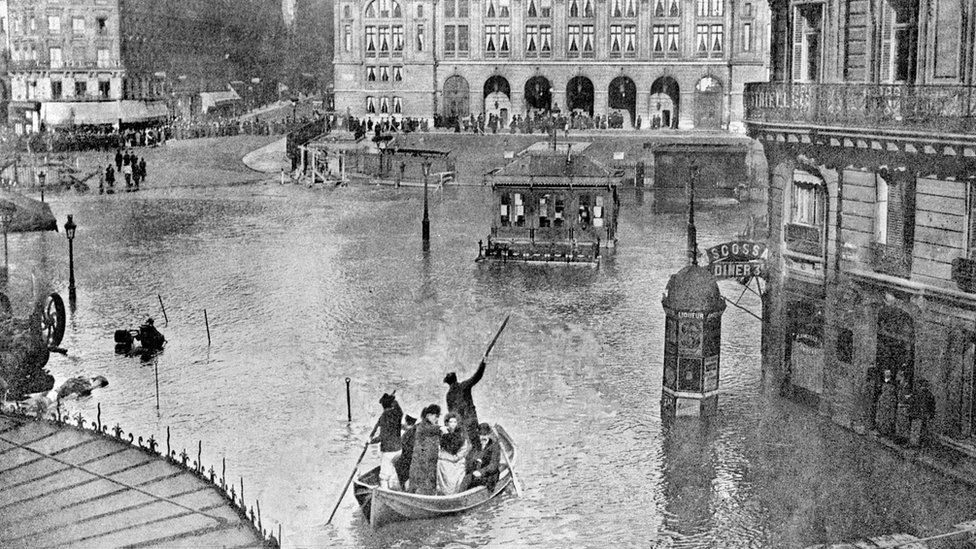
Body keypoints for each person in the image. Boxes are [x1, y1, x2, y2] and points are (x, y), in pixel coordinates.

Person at [444, 359, 487, 451]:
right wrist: (483, 363)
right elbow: (477, 376)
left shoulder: (448, 396)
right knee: (476, 446)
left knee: (466, 447)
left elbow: (451, 414)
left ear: (448, 383)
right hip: (471, 422)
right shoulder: (464, 386)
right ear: (456, 379)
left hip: (460, 426)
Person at [370, 393, 403, 489]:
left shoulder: (384, 416)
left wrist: (371, 441)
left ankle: (385, 492)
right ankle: (397, 491)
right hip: (398, 450)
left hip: (388, 451)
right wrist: (393, 400)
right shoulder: (397, 414)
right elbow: (400, 410)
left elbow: (382, 437)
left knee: (384, 477)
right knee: (393, 473)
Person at [408, 404, 442, 495]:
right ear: (428, 416)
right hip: (421, 464)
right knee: (420, 487)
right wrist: (440, 428)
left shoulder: (433, 427)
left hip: (430, 464)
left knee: (429, 486)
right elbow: (429, 429)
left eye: (438, 417)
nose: (437, 419)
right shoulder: (423, 426)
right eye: (436, 416)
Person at [436, 413, 470, 495]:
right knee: (440, 463)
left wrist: (446, 435)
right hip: (445, 461)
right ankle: (444, 492)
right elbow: (441, 449)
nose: (453, 424)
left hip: (457, 461)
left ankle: (453, 493)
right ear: (447, 423)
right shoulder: (442, 432)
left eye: (455, 422)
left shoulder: (461, 434)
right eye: (451, 422)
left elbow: (458, 449)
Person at [465, 423, 501, 491]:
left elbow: (493, 466)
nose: (483, 437)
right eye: (481, 435)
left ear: (489, 435)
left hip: (489, 476)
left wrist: (481, 472)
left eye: (485, 435)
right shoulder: (476, 446)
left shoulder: (494, 447)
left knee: (468, 480)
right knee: (466, 478)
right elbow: (468, 459)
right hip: (475, 473)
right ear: (478, 435)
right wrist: (474, 461)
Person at [909, 379, 936, 447]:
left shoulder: (916, 393)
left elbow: (912, 402)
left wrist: (911, 412)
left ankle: (915, 443)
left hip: (917, 414)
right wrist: (931, 415)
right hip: (924, 415)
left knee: (916, 429)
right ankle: (922, 443)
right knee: (923, 429)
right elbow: (932, 406)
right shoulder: (930, 394)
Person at [394, 415, 418, 488]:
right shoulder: (415, 429)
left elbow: (402, 444)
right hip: (412, 456)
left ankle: (403, 486)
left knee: (398, 465)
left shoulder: (408, 433)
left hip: (407, 457)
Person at [874, 369, 897, 437]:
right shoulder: (884, 383)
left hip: (888, 401)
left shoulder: (892, 385)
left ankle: (885, 431)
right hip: (883, 400)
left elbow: (891, 394)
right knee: (881, 415)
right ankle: (881, 430)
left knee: (887, 417)